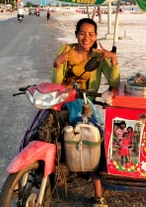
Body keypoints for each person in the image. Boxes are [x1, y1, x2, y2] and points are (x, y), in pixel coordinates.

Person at [51, 17, 119, 207]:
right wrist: (57, 64)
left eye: (91, 34)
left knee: (91, 138)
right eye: (82, 33)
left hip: (84, 104)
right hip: (62, 101)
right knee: (41, 131)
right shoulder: (66, 51)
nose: (86, 37)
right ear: (76, 34)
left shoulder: (98, 55)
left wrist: (112, 58)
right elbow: (56, 84)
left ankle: (98, 195)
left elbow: (114, 83)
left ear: (96, 36)